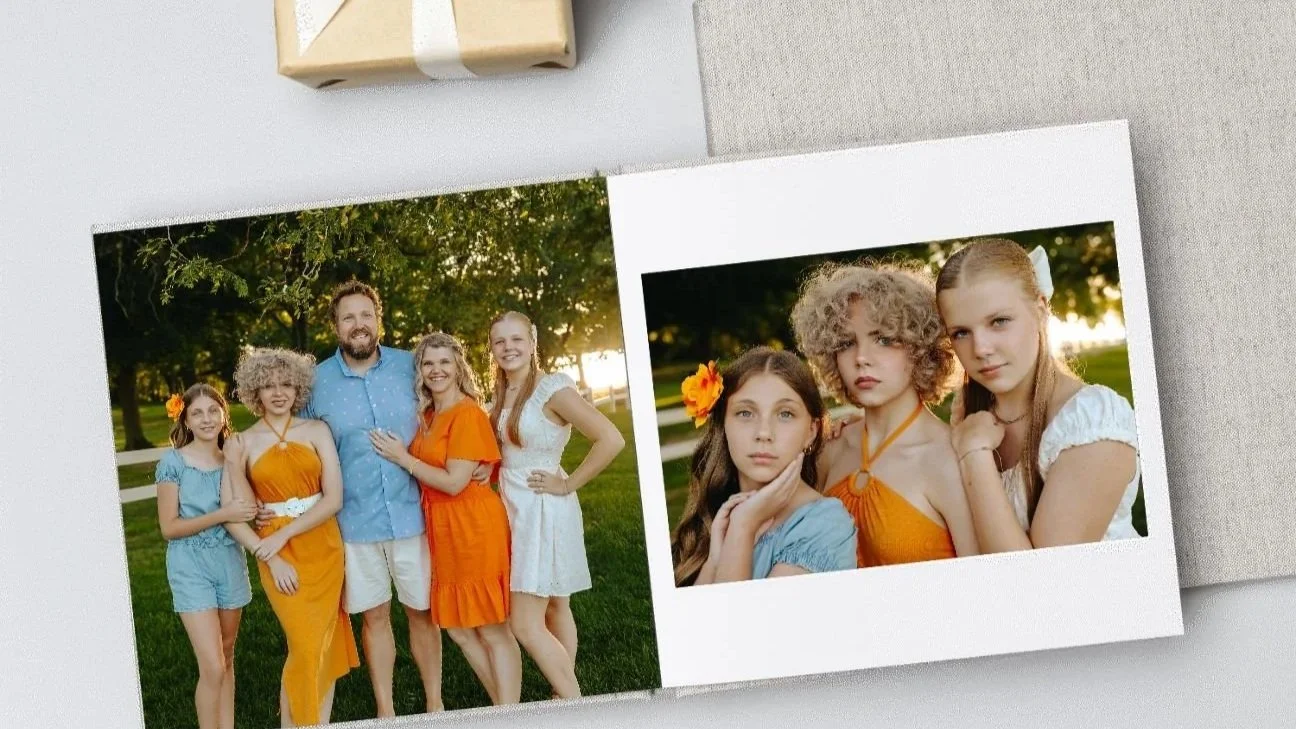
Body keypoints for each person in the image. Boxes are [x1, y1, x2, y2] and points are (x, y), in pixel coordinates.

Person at [935, 239, 1141, 552]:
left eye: (999, 321)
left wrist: (974, 455)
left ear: (1041, 309)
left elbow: (1041, 583)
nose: (980, 349)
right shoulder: (972, 415)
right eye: (961, 332)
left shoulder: (1092, 424)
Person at [790, 261, 979, 566]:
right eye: (847, 343)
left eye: (884, 339)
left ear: (920, 348)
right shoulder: (830, 448)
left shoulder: (950, 459)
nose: (862, 358)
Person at [371, 332, 522, 705]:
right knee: (457, 628)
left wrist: (402, 458)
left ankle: (511, 710)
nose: (436, 370)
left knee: (492, 627)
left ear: (459, 367)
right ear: (419, 370)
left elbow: (455, 482)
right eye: (428, 363)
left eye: (444, 362)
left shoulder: (467, 413)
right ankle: (504, 706)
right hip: (443, 530)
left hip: (472, 525)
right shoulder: (427, 415)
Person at [486, 311, 625, 699]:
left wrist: (567, 484)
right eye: (500, 341)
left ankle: (572, 700)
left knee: (525, 622)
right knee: (556, 605)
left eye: (517, 339)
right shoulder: (501, 393)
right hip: (514, 504)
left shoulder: (551, 389)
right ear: (492, 349)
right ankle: (560, 692)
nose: (508, 347)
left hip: (543, 507)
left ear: (532, 343)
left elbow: (611, 438)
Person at [223, 347, 359, 726]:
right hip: (277, 556)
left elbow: (334, 498)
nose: (278, 392)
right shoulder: (242, 443)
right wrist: (272, 553)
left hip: (323, 546)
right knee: (303, 644)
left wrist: (285, 537)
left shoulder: (316, 430)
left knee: (323, 643)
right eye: (267, 385)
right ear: (255, 392)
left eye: (285, 383)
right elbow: (236, 518)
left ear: (297, 387)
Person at [671, 347, 857, 586]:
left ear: (811, 431)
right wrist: (715, 561)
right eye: (746, 413)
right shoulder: (716, 517)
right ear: (723, 425)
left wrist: (743, 527)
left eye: (785, 414)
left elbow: (737, 622)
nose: (763, 433)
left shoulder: (826, 527)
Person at [155, 384, 257, 729]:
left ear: (224, 413)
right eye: (197, 412)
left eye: (213, 411)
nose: (206, 418)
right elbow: (169, 527)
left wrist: (235, 467)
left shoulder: (232, 455)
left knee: (227, 655)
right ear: (185, 418)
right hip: (189, 566)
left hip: (229, 562)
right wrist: (223, 512)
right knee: (211, 665)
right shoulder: (173, 462)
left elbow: (248, 509)